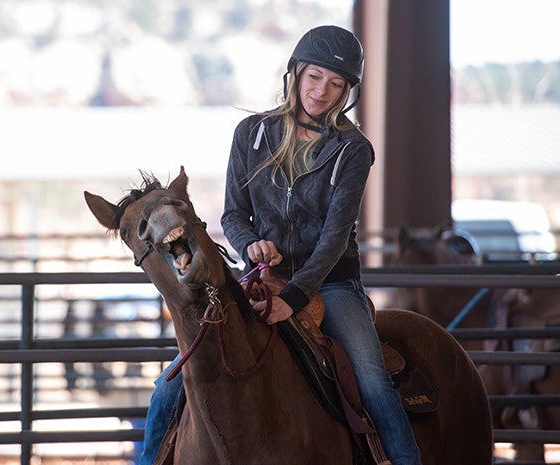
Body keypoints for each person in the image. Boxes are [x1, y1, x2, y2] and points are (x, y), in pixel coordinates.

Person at [139, 25, 422, 465]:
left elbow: (334, 237)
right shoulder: (251, 134)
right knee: (172, 383)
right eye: (314, 77)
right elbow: (233, 214)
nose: (321, 92)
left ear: (347, 91)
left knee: (372, 381)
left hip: (330, 285)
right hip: (259, 277)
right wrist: (251, 245)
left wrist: (293, 296)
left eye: (335, 84)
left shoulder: (353, 150)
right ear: (295, 74)